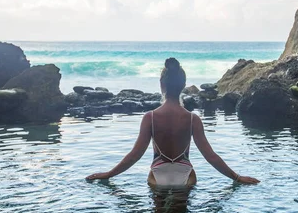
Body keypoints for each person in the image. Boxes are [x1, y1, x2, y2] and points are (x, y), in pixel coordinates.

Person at [86, 58, 260, 187]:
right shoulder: (193, 119)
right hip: (185, 175)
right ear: (183, 85)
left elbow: (134, 155)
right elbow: (211, 156)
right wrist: (237, 178)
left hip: (157, 175)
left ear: (162, 84)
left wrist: (109, 174)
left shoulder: (150, 118)